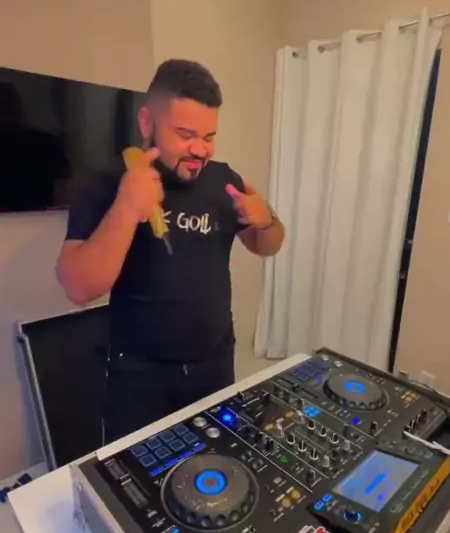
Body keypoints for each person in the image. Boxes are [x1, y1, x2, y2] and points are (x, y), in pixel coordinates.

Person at [56, 59, 285, 443]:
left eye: (209, 136)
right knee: (138, 476)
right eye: (185, 134)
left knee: (216, 464)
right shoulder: (105, 183)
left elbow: (268, 246)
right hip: (139, 377)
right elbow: (78, 287)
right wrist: (127, 207)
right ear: (147, 123)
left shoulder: (224, 180)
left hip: (214, 367)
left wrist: (266, 222)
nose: (200, 149)